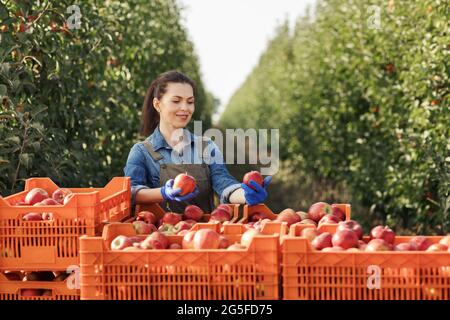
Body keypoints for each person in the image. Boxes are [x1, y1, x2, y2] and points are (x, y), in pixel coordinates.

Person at [124, 70, 271, 213]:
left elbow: (223, 182)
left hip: (203, 233)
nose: (185, 108)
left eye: (190, 102)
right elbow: (130, 193)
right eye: (176, 101)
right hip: (158, 233)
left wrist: (244, 194)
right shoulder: (141, 152)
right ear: (157, 105)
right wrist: (162, 193)